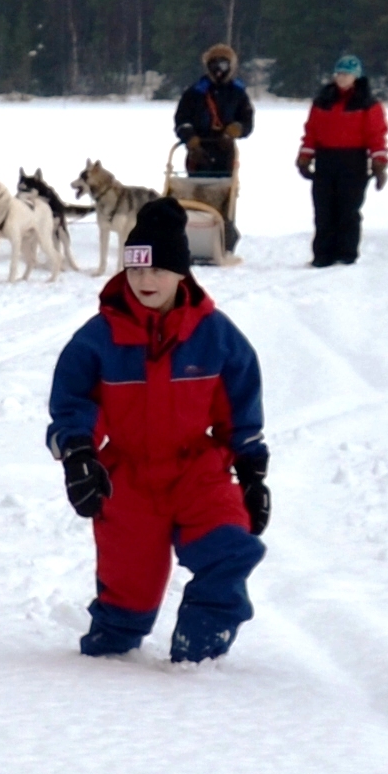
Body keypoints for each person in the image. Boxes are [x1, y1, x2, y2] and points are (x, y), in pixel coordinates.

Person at [48, 196, 270, 663]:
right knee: (126, 604)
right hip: (127, 480)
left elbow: (239, 407)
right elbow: (74, 405)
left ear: (182, 272)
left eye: (158, 269)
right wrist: (79, 456)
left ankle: (198, 657)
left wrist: (251, 470)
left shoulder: (216, 336)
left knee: (231, 550)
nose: (146, 280)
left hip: (197, 471)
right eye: (136, 269)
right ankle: (101, 669)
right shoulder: (98, 339)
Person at [297, 55, 388, 267]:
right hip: (326, 160)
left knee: (348, 210)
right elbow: (312, 131)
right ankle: (323, 254)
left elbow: (376, 136)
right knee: (323, 210)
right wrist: (305, 157)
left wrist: (379, 164)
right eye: (338, 73)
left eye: (346, 74)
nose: (341, 78)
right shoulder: (323, 100)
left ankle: (346, 253)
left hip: (353, 161)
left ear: (356, 77)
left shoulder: (368, 104)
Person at [171, 43, 256, 256]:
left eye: (224, 63)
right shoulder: (195, 92)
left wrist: (236, 129)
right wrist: (190, 138)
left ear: (231, 66)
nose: (219, 68)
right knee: (194, 195)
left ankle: (223, 241)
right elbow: (181, 119)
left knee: (225, 196)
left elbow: (247, 121)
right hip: (198, 150)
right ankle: (191, 240)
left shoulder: (238, 92)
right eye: (214, 63)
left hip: (225, 150)